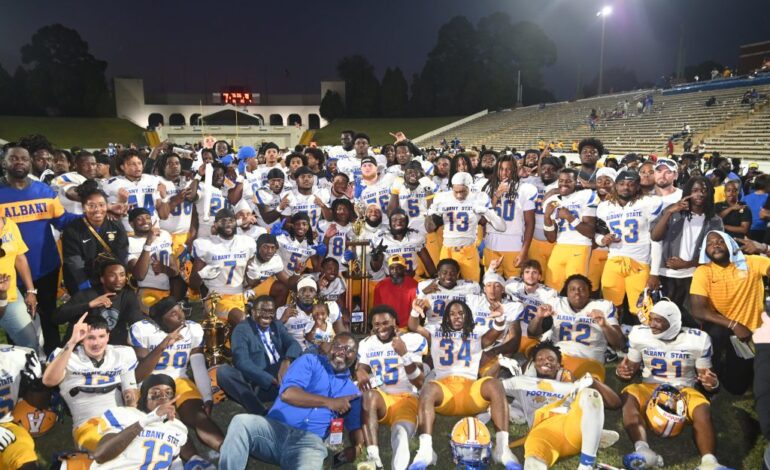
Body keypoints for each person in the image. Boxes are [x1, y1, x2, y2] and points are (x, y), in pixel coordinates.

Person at [218, 333, 364, 470]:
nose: (341, 352)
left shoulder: (352, 391)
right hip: (275, 431)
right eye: (337, 346)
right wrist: (330, 402)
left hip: (310, 444)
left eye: (349, 349)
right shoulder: (310, 361)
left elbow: (355, 426)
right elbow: (288, 394)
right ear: (330, 347)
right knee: (241, 422)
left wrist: (357, 447)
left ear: (355, 357)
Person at [407, 299, 519, 469]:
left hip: (470, 392)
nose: (457, 317)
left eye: (461, 313)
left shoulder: (477, 333)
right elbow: (414, 326)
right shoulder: (436, 333)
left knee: (494, 384)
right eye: (452, 314)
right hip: (445, 392)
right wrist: (415, 312)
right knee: (429, 387)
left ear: (467, 315)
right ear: (446, 317)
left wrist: (500, 318)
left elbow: (496, 331)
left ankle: (502, 448)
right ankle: (426, 449)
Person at [616, 300, 726, 470]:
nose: (652, 324)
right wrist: (622, 372)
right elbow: (630, 367)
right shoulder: (640, 334)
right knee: (628, 396)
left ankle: (709, 462)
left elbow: (707, 377)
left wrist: (712, 383)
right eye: (651, 318)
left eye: (658, 320)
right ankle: (643, 450)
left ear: (673, 322)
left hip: (684, 389)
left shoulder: (697, 340)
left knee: (702, 408)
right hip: (651, 386)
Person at [0, 145, 80, 354]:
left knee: (49, 315)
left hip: (45, 265)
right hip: (9, 272)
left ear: (30, 163)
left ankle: (52, 357)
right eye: (14, 158)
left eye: (24, 159)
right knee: (17, 324)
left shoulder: (43, 190)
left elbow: (62, 220)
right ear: (4, 163)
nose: (19, 162)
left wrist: (92, 215)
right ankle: (22, 365)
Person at [500, 342, 621, 470]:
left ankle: (587, 465)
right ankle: (593, 434)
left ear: (558, 365)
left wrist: (593, 381)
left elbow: (615, 403)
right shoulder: (522, 382)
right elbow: (491, 388)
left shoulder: (571, 386)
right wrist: (498, 363)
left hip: (570, 425)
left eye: (550, 359)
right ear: (534, 363)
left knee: (590, 394)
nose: (545, 362)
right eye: (540, 359)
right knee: (533, 464)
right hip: (542, 432)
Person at [129, 296, 224, 452]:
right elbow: (139, 375)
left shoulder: (192, 329)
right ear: (160, 320)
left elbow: (198, 365)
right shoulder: (142, 330)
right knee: (169, 420)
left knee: (199, 417)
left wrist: (207, 396)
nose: (181, 316)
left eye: (180, 311)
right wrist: (162, 345)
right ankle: (194, 459)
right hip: (152, 380)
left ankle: (229, 451)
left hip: (179, 378)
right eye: (173, 314)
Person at [42, 314, 138, 452]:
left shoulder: (122, 354)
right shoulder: (66, 356)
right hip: (88, 424)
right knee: (111, 451)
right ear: (82, 339)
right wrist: (72, 342)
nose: (96, 343)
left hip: (121, 419)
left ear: (108, 336)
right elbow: (49, 381)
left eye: (101, 336)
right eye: (90, 337)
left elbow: (130, 390)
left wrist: (133, 421)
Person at [690, 231, 769, 395]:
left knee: (737, 387)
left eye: (720, 241)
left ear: (730, 245)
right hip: (723, 327)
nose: (715, 245)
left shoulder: (751, 262)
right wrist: (734, 325)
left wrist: (764, 248)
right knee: (713, 335)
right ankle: (711, 373)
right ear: (705, 251)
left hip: (752, 331)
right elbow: (698, 310)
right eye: (710, 244)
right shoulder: (704, 272)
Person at [358, 305, 427, 470]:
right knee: (369, 395)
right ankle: (374, 457)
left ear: (395, 322)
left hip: (407, 398)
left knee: (400, 434)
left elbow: (419, 381)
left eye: (385, 323)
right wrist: (359, 371)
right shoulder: (367, 343)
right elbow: (362, 368)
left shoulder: (411, 340)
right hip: (383, 399)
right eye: (376, 324)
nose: (381, 328)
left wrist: (404, 354)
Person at [650, 176, 723, 327]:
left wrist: (687, 264)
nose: (700, 194)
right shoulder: (673, 211)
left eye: (705, 190)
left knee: (693, 320)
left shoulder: (715, 220)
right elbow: (655, 236)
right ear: (688, 192)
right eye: (695, 190)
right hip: (667, 274)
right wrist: (669, 212)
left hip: (695, 276)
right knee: (665, 318)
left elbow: (715, 255)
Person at [90, 374, 200, 469]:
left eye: (168, 393)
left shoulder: (178, 428)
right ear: (143, 398)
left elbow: (174, 461)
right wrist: (147, 420)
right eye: (155, 393)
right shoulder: (124, 414)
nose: (163, 397)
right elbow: (100, 455)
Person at [528, 274, 624, 381]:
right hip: (559, 358)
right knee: (530, 372)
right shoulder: (556, 304)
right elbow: (532, 333)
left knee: (588, 389)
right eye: (572, 289)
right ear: (567, 292)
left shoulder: (603, 306)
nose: (577, 292)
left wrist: (604, 325)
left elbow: (620, 343)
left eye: (581, 289)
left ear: (589, 292)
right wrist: (538, 317)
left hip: (589, 361)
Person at [216, 295, 301, 415]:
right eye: (262, 311)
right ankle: (260, 411)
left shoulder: (276, 325)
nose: (266, 315)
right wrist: (269, 379)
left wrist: (287, 361)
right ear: (253, 312)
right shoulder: (242, 329)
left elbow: (293, 344)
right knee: (223, 372)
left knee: (309, 354)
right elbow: (242, 362)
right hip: (259, 383)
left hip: (283, 374)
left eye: (270, 311)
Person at [595, 170, 663, 320]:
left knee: (642, 310)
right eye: (622, 184)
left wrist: (655, 273)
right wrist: (602, 240)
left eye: (631, 184)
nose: (626, 187)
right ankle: (615, 338)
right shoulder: (604, 207)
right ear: (615, 185)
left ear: (637, 187)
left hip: (639, 263)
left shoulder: (648, 203)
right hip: (613, 262)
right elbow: (598, 234)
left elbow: (657, 240)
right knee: (611, 308)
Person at [425, 172, 506, 283]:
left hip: (468, 249)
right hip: (447, 249)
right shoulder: (443, 197)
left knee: (472, 286)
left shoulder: (479, 197)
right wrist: (430, 211)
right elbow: (429, 228)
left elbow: (501, 227)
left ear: (470, 187)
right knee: (445, 286)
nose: (459, 195)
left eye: (462, 191)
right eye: (456, 191)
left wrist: (487, 212)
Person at [61, 180, 128, 294]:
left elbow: (121, 256)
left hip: (109, 278)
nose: (97, 210)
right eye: (91, 206)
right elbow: (74, 263)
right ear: (83, 208)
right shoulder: (72, 230)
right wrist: (86, 288)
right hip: (81, 280)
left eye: (101, 205)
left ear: (107, 206)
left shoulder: (116, 225)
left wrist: (116, 280)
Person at [190, 208, 255, 325]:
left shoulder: (246, 243)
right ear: (215, 225)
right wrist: (202, 274)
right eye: (223, 221)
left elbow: (250, 278)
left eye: (231, 220)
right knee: (241, 320)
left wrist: (252, 280)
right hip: (217, 297)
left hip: (240, 295)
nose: (227, 223)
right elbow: (193, 284)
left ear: (236, 222)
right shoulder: (206, 244)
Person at [56, 259, 142, 347]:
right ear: (102, 279)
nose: (118, 279)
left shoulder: (128, 295)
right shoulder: (87, 295)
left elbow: (136, 319)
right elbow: (57, 317)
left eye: (122, 275)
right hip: (83, 347)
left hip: (114, 349)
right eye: (112, 275)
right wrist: (89, 305)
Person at [482, 154, 537, 278]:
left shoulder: (524, 189)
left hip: (514, 245)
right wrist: (497, 194)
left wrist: (524, 251)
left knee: (514, 287)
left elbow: (530, 223)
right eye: (501, 169)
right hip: (492, 243)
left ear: (514, 170)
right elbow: (484, 217)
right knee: (492, 284)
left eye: (508, 169)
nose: (504, 173)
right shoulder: (489, 188)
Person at [543, 168, 598, 291]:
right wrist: (547, 217)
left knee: (576, 288)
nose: (564, 184)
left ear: (576, 182)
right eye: (561, 181)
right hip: (559, 246)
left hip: (580, 246)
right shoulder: (553, 200)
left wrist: (569, 217)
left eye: (568, 181)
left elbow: (590, 232)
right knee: (550, 288)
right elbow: (551, 238)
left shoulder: (586, 195)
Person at [0, 336, 44, 470]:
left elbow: (39, 403)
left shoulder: (16, 357)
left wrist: (37, 384)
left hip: (5, 426)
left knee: (24, 458)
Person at [504, 259, 558, 356]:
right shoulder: (512, 285)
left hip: (533, 337)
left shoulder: (548, 293)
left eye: (534, 272)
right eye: (527, 272)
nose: (531, 276)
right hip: (511, 334)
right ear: (522, 275)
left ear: (540, 276)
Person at [415, 259, 480, 326]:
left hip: (461, 328)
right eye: (444, 273)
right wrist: (423, 293)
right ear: (438, 273)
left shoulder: (470, 287)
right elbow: (415, 311)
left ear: (458, 274)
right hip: (434, 328)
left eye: (452, 273)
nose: (448, 276)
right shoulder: (426, 286)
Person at [373, 255, 419, 327]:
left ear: (404, 269)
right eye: (392, 268)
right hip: (387, 328)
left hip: (409, 328)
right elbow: (377, 311)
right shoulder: (380, 286)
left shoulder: (414, 285)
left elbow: (417, 312)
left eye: (398, 268)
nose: (394, 271)